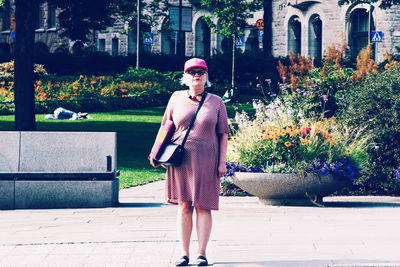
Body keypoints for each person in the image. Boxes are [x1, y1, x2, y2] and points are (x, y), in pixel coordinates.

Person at [149, 58, 230, 266]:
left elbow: (223, 135)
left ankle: (201, 254)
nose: (196, 75)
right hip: (180, 160)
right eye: (192, 71)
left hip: (207, 161)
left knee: (204, 206)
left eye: (201, 72)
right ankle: (183, 254)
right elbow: (165, 127)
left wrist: (222, 163)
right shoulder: (176, 98)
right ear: (185, 76)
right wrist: (155, 152)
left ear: (206, 76)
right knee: (184, 206)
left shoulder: (216, 102)